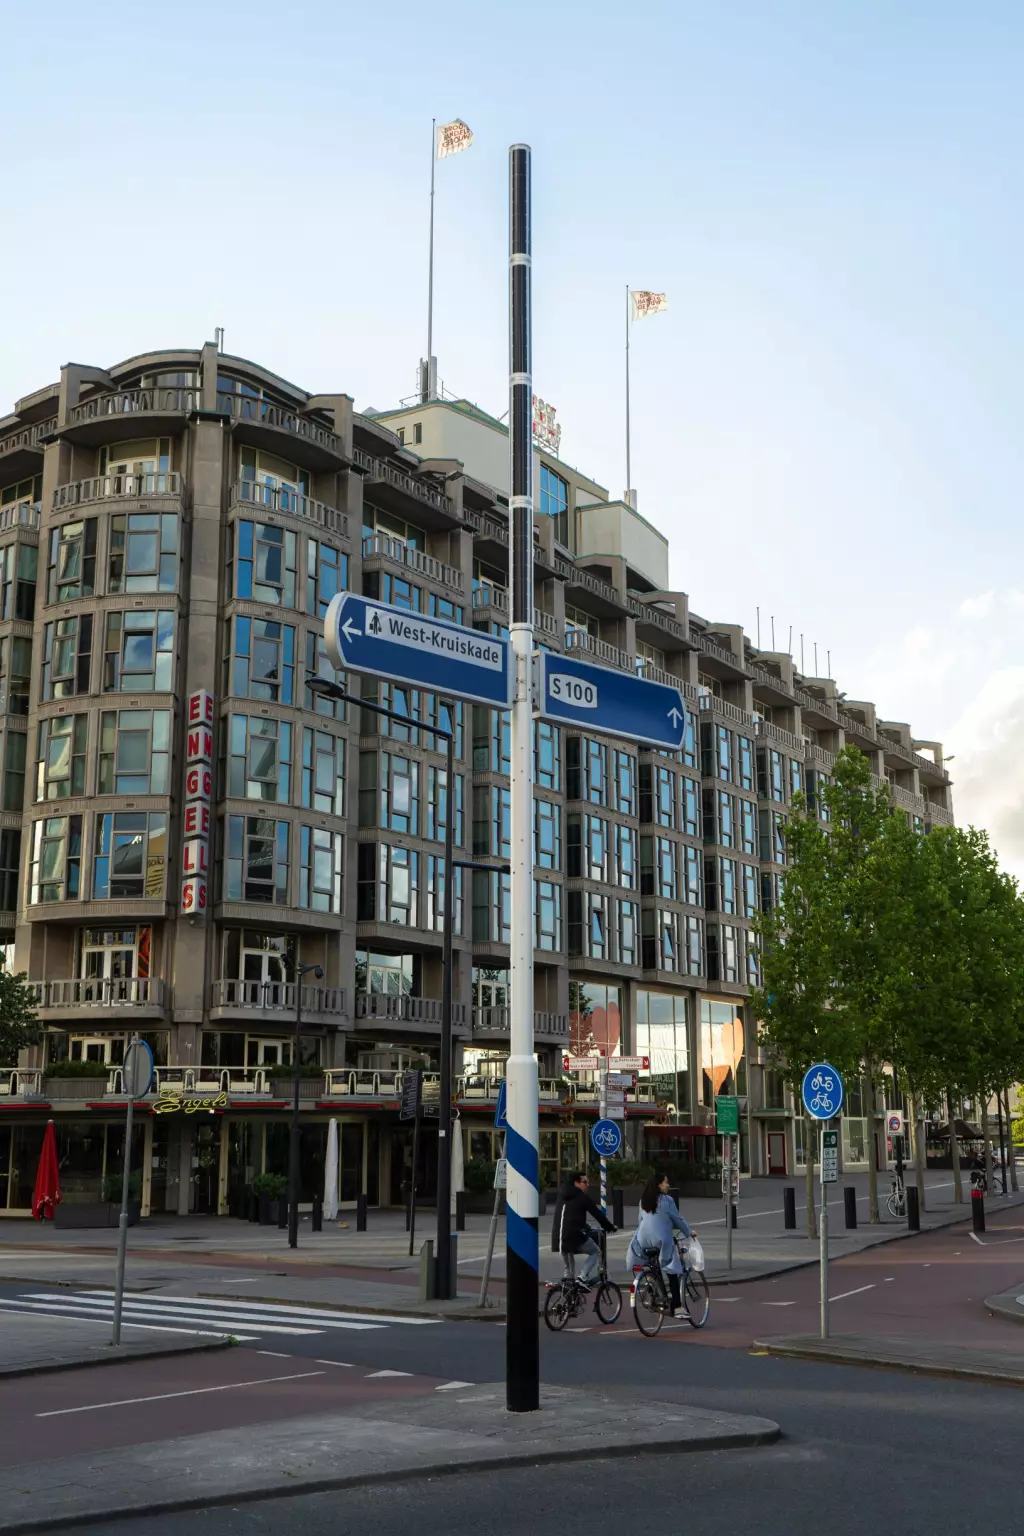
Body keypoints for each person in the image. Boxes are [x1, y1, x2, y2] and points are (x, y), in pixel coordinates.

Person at [627, 1174, 694, 1315]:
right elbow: (678, 1219)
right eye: (666, 1182)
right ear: (659, 1185)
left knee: (653, 1263)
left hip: (642, 1239)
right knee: (672, 1268)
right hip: (660, 1239)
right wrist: (688, 1232)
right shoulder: (668, 1200)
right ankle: (677, 1307)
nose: (668, 1185)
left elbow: (641, 1220)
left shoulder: (643, 1201)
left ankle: (653, 1285)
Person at [555, 1170, 616, 1286]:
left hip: (559, 1238)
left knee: (569, 1276)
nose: (587, 1184)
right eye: (585, 1182)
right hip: (573, 1237)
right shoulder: (582, 1197)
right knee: (596, 1252)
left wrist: (585, 1226)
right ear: (576, 1183)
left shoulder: (562, 1195)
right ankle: (582, 1277)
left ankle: (568, 1299)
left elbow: (567, 1216)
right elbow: (597, 1214)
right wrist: (610, 1227)